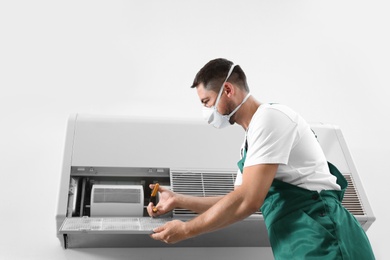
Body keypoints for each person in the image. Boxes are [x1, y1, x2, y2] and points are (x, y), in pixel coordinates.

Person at [147, 58, 375, 259]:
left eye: (206, 102)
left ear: (227, 90)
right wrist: (178, 200)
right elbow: (235, 201)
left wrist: (186, 230)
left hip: (324, 237)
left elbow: (248, 201)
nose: (206, 112)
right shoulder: (250, 142)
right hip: (298, 243)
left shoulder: (270, 118)